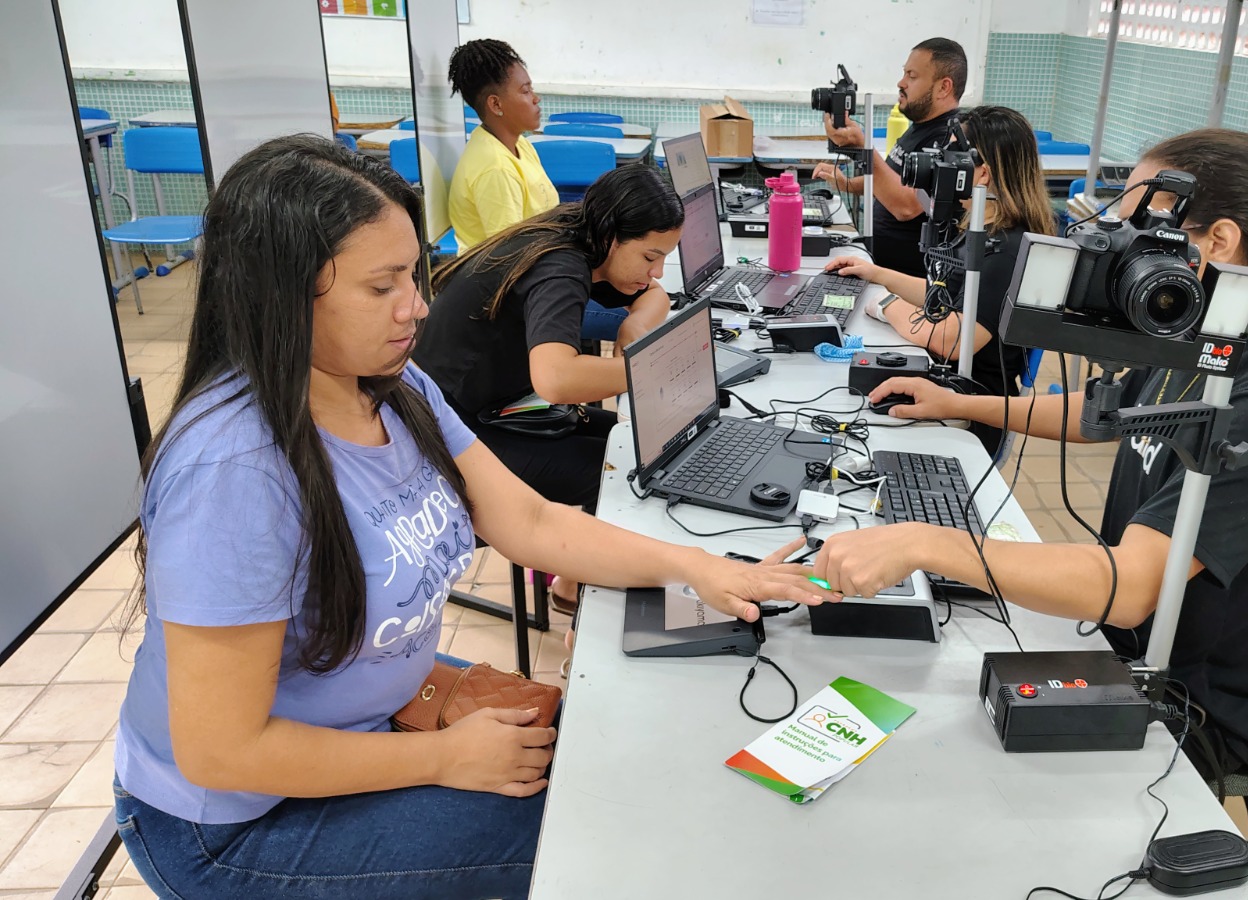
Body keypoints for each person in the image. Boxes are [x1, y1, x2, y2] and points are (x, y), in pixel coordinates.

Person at [112, 134, 835, 900]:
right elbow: (222, 751)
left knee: (612, 747)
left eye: (412, 276)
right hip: (236, 824)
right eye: (382, 286)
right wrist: (443, 759)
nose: (417, 308)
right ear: (282, 294)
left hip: (361, 728)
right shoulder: (233, 472)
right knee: (602, 832)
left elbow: (528, 520)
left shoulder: (391, 384)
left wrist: (700, 568)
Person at [812, 128, 1248, 783]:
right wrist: (960, 403)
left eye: (1137, 233)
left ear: (1217, 242)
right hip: (1114, 645)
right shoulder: (1204, 334)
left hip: (1185, 713)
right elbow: (1105, 416)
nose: (1121, 252)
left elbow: (1127, 590)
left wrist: (929, 544)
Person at [413, 165, 678, 516]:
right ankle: (583, 567)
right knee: (631, 472)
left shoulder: (582, 229)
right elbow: (556, 379)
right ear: (613, 237)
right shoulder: (561, 266)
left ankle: (577, 570)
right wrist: (649, 369)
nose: (656, 271)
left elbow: (655, 296)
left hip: (499, 408)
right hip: (449, 430)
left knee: (644, 444)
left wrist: (634, 328)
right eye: (650, 257)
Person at [819, 105, 1053, 456]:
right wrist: (876, 275)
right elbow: (942, 298)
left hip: (969, 412)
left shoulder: (1009, 248)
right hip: (944, 386)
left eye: (953, 151)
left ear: (983, 173)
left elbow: (952, 338)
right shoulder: (976, 224)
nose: (941, 160)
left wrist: (886, 305)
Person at [810, 37, 967, 278]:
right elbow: (894, 181)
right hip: (878, 265)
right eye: (904, 74)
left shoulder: (949, 137)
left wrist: (863, 147)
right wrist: (848, 184)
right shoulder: (920, 125)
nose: (901, 83)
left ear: (943, 87)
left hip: (905, 280)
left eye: (912, 76)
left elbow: (906, 206)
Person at [447, 38, 559, 250]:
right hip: (499, 276)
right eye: (525, 91)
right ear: (496, 104)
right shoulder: (495, 168)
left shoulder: (520, 144)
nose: (536, 99)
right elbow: (509, 255)